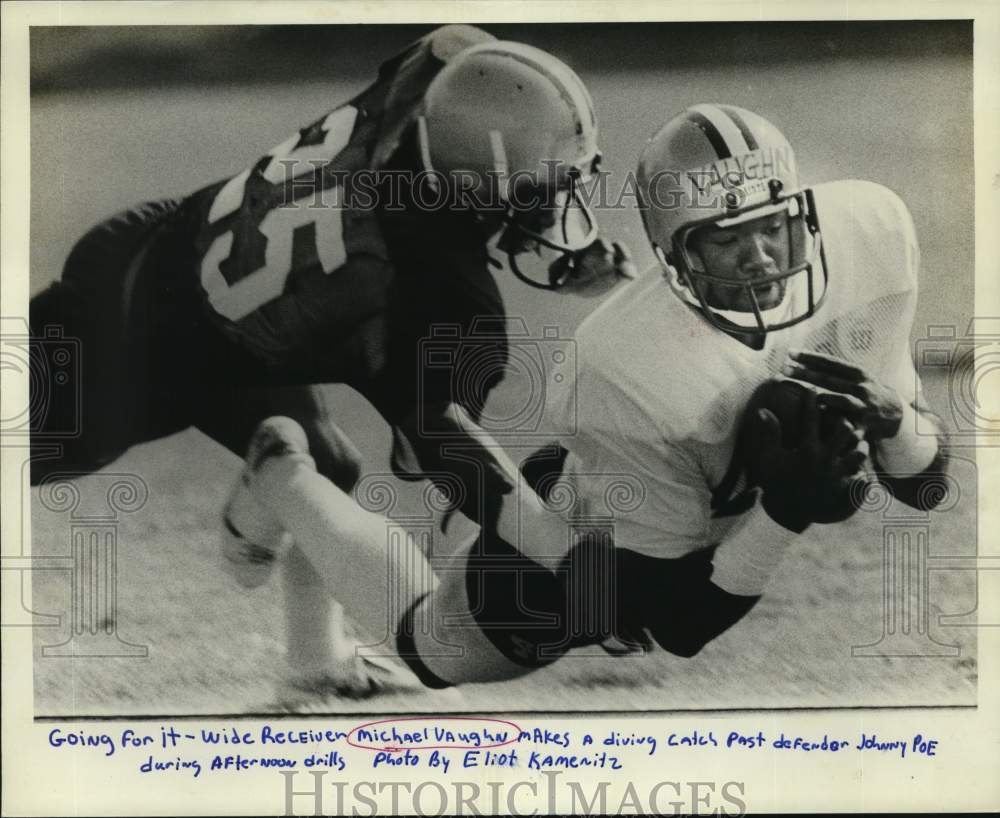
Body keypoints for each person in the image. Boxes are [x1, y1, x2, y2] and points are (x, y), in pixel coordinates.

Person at [225, 101, 951, 691]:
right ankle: (285, 473)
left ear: (805, 213)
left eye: (771, 228)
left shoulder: (871, 235)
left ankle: (427, 543)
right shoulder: (627, 362)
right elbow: (678, 626)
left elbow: (923, 486)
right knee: (429, 652)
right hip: (586, 552)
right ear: (675, 258)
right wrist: (781, 515)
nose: (759, 258)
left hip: (635, 485)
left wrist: (895, 428)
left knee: (494, 529)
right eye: (726, 241)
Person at [29, 25, 634, 693]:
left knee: (330, 465)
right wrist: (569, 564)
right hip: (120, 355)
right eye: (539, 187)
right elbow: (439, 453)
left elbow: (458, 48)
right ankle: (272, 491)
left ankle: (315, 654)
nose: (558, 203)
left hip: (172, 260)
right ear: (476, 180)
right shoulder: (439, 285)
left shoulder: (435, 79)